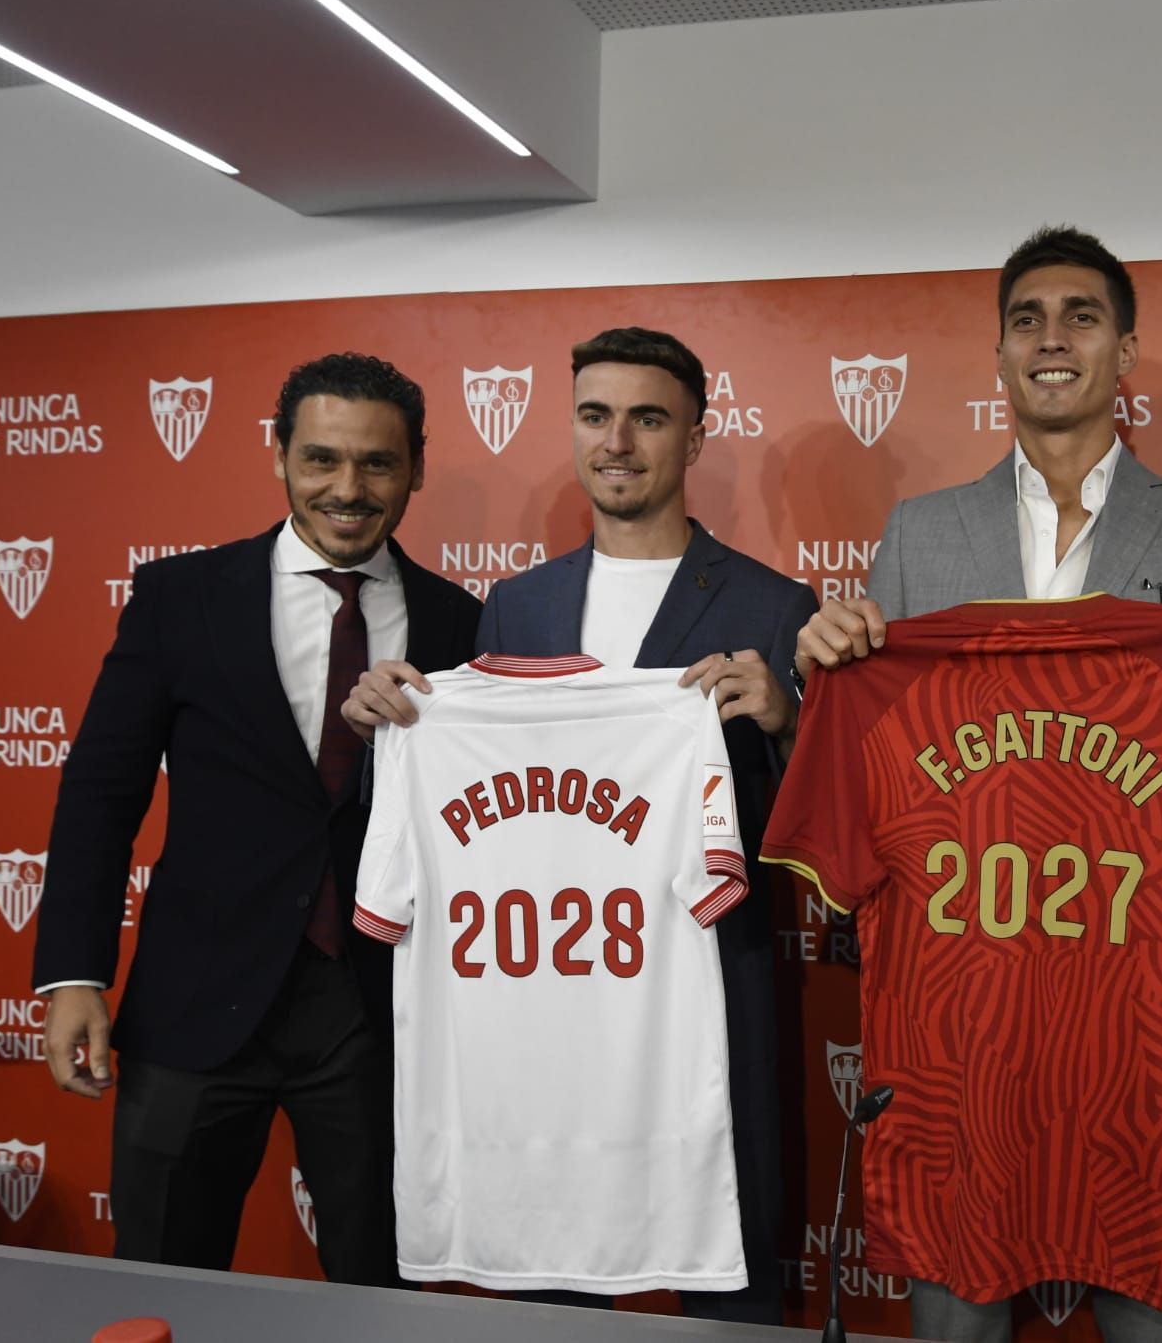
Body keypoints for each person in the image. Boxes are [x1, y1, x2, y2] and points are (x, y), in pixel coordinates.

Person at [791, 225, 1162, 1343]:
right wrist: (827, 673)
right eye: (1026, 318)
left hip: (1138, 1027)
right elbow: (871, 772)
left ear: (1123, 352)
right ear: (997, 356)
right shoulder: (919, 536)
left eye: (1081, 316)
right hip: (963, 1031)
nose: (1051, 339)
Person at [342, 325, 814, 1323]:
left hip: (706, 991)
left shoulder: (774, 607)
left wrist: (784, 726)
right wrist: (393, 720)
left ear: (693, 435)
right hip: (550, 1001)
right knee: (553, 1276)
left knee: (736, 1256)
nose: (618, 442)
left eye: (648, 418)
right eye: (596, 417)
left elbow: (805, 835)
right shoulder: (515, 607)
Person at [32, 353, 483, 1282]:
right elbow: (101, 793)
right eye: (320, 459)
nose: (347, 490)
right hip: (193, 1003)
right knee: (161, 1275)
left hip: (381, 1009)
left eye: (377, 465)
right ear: (279, 457)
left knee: (387, 1288)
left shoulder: (466, 622)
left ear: (417, 468)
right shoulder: (179, 598)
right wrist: (74, 972)